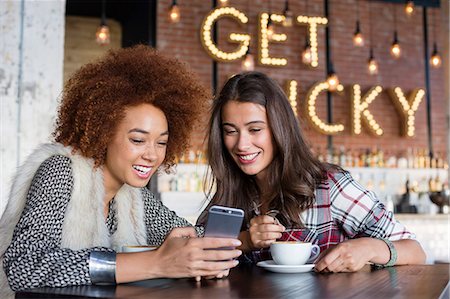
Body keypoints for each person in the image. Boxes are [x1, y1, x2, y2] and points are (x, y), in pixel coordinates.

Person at [0, 45, 241, 296]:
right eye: (138, 140)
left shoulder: (133, 196)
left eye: (161, 143)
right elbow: (23, 265)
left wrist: (244, 240)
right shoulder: (61, 171)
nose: (152, 154)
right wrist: (155, 264)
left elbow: (184, 234)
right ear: (103, 134)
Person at [198, 71, 425, 272]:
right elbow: (201, 258)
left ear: (280, 128)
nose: (241, 144)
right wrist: (246, 241)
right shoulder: (229, 194)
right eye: (230, 131)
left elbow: (415, 251)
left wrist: (369, 248)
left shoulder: (329, 186)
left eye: (255, 129)